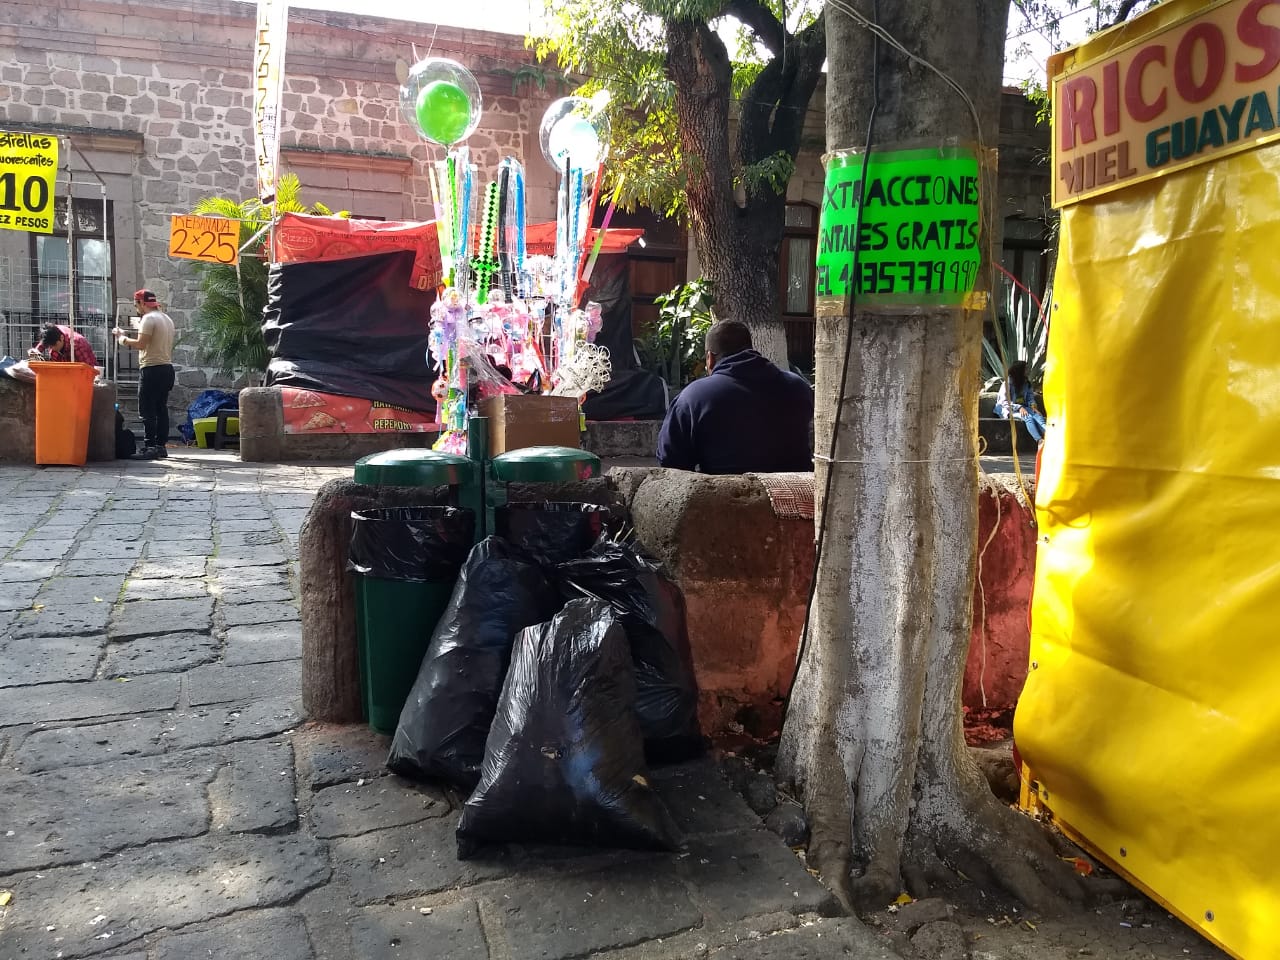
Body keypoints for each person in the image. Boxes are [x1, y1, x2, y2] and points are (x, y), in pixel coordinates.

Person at [657, 319, 814, 474]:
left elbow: (671, 462)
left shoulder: (694, 397)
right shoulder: (798, 387)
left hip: (722, 496)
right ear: (751, 349)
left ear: (710, 358)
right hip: (795, 494)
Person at [113, 289, 176, 460]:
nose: (136, 309)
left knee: (147, 410)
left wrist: (122, 338)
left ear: (141, 303)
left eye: (136, 305)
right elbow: (152, 338)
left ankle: (149, 446)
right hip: (167, 368)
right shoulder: (166, 318)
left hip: (151, 369)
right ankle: (161, 446)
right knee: (161, 409)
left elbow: (141, 344)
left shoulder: (148, 319)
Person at [994, 359, 1047, 444]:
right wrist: (1019, 408)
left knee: (1037, 416)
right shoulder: (1007, 383)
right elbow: (1004, 402)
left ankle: (1048, 435)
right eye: (1026, 369)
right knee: (1028, 417)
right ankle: (1039, 440)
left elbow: (1030, 398)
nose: (1028, 371)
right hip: (1008, 409)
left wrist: (1033, 407)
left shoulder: (1026, 383)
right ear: (1019, 371)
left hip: (1025, 407)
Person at [29, 322, 99, 369]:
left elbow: (89, 368)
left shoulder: (78, 344)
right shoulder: (52, 333)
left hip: (81, 371)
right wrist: (36, 352)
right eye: (50, 346)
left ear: (62, 338)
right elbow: (44, 341)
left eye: (54, 345)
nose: (53, 348)